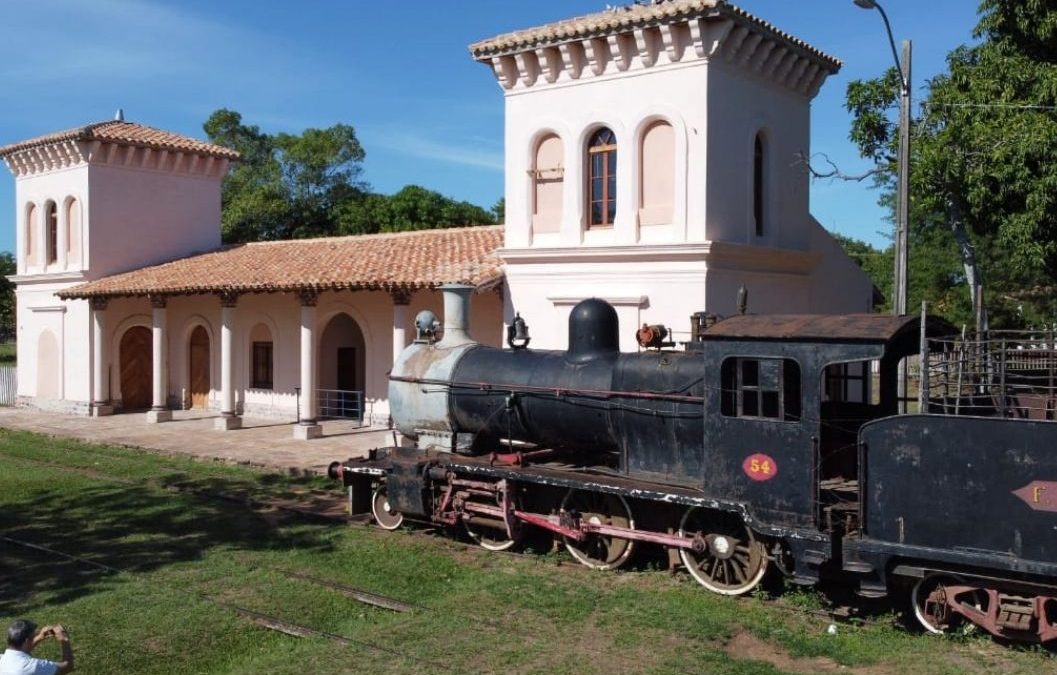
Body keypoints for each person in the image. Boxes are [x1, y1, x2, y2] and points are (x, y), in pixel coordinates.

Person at [0, 620, 74, 675]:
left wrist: (40, 637)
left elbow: (22, 649)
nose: (34, 636)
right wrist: (64, 640)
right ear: (26, 641)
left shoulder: (2, 659)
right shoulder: (32, 666)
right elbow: (67, 667)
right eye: (33, 636)